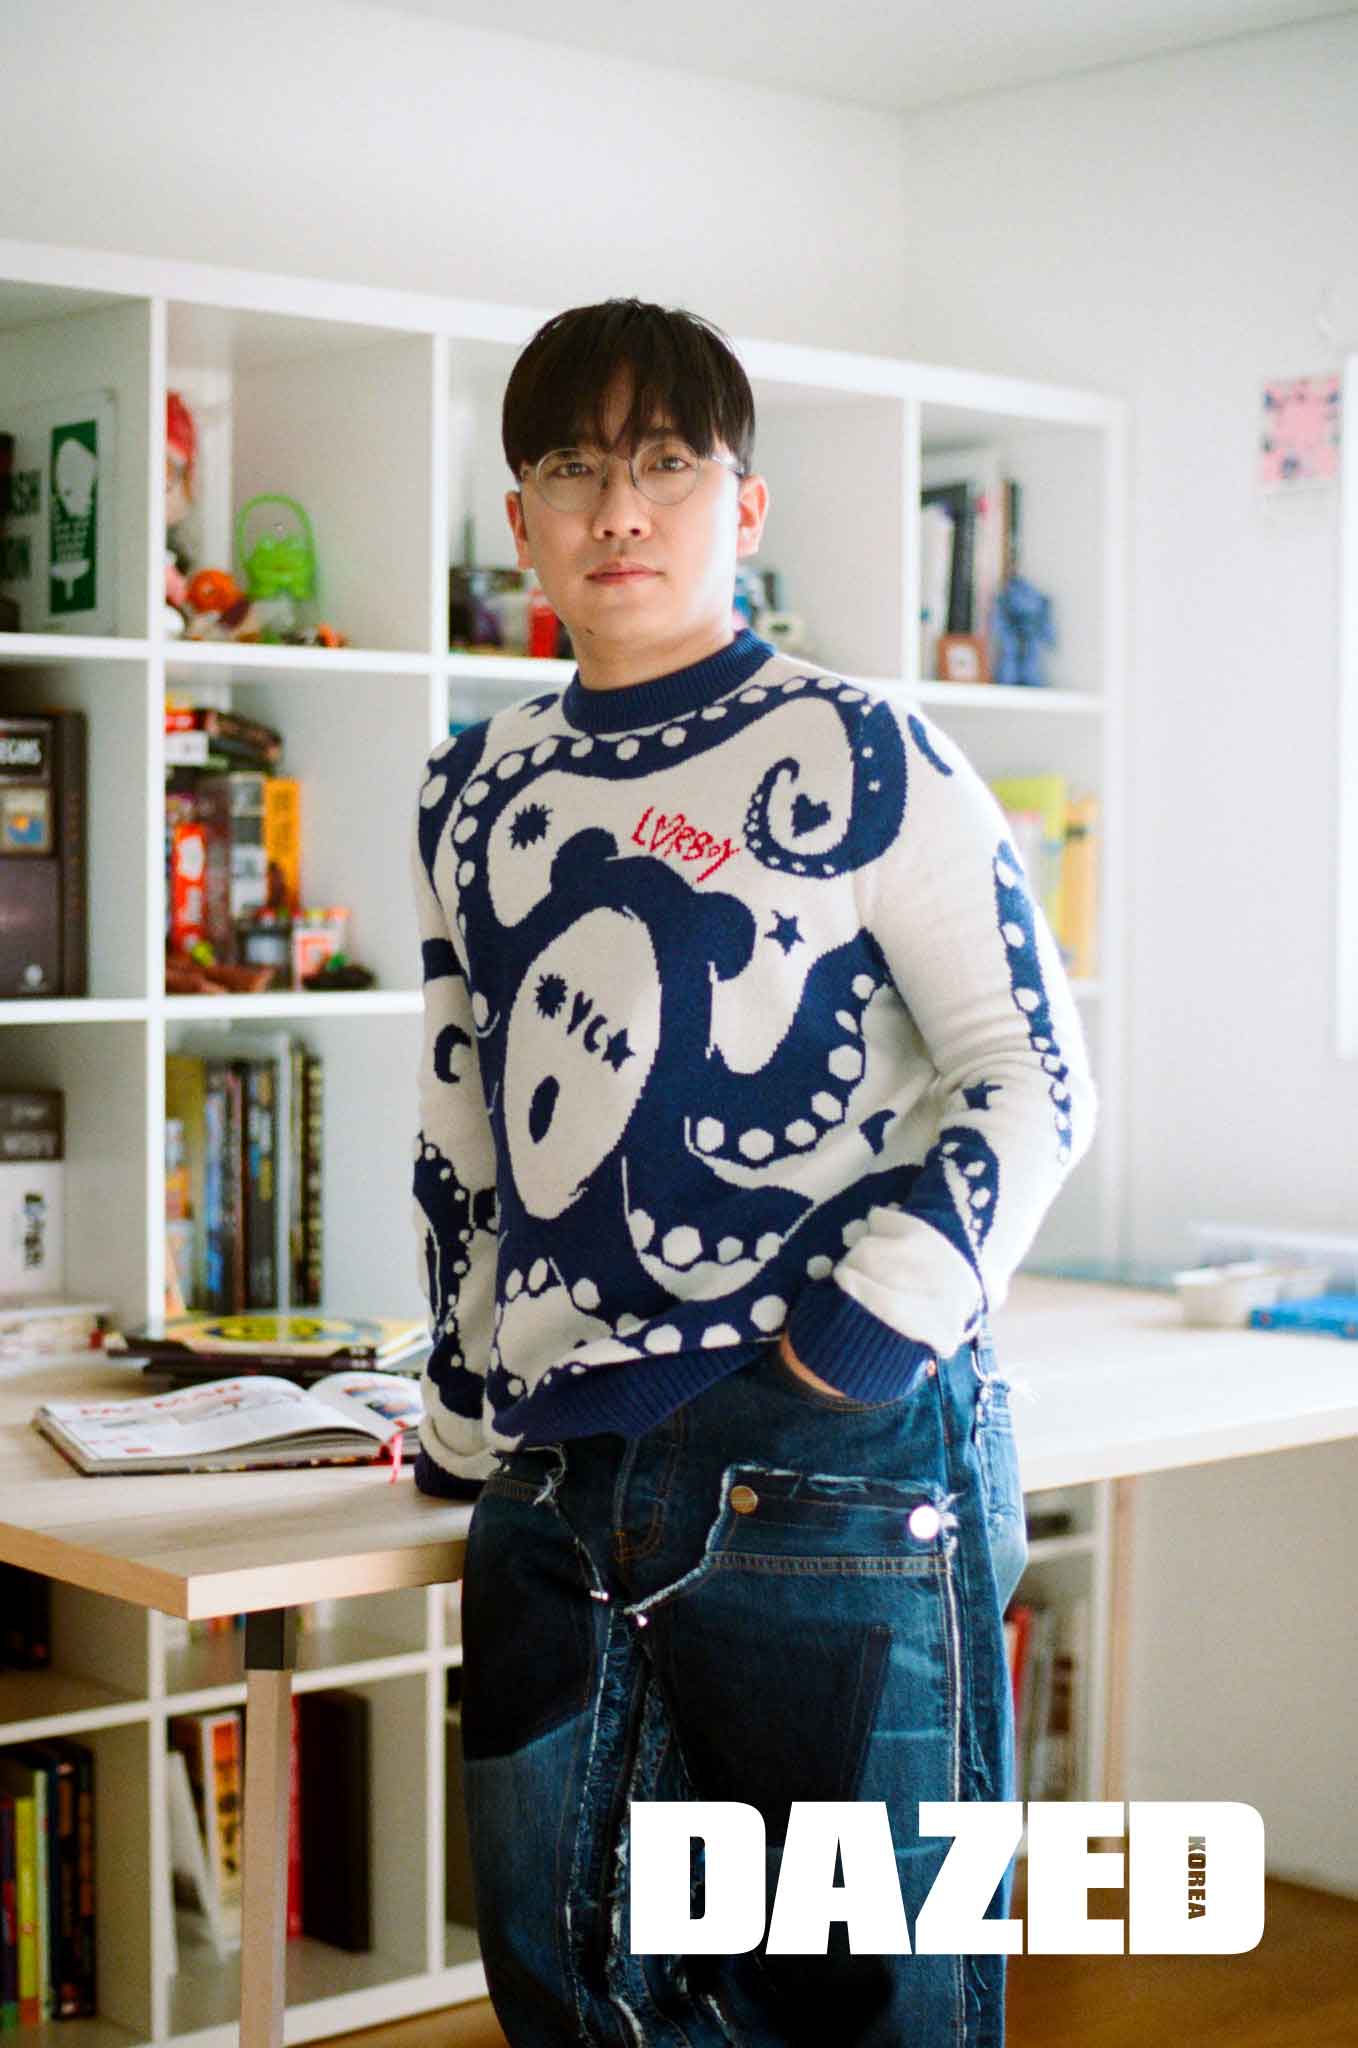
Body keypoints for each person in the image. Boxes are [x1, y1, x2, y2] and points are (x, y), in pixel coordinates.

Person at [410, 297, 1098, 2046]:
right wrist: (464, 1413)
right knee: (572, 1992)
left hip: (830, 1457)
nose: (617, 510)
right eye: (572, 470)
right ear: (521, 521)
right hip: (554, 1474)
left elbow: (1031, 1070)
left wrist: (856, 1348)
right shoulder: (470, 790)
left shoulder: (869, 751)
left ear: (744, 505)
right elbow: (466, 1113)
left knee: (863, 2005)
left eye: (664, 464)